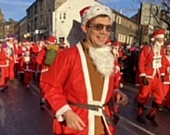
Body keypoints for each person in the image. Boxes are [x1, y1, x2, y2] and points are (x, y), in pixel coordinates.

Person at [40, 5, 128, 135]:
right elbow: (49, 85)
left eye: (108, 28)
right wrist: (66, 111)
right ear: (85, 28)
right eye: (99, 27)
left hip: (103, 126)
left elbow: (106, 86)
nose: (104, 32)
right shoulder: (67, 56)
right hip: (77, 125)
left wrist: (115, 92)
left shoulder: (108, 57)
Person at [135, 29, 167, 126]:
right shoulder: (146, 48)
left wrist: (162, 74)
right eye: (160, 39)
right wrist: (143, 75)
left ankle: (152, 114)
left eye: (162, 40)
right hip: (148, 75)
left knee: (160, 96)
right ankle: (139, 114)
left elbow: (163, 63)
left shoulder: (162, 50)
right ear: (156, 39)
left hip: (157, 77)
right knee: (143, 95)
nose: (162, 41)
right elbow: (141, 62)